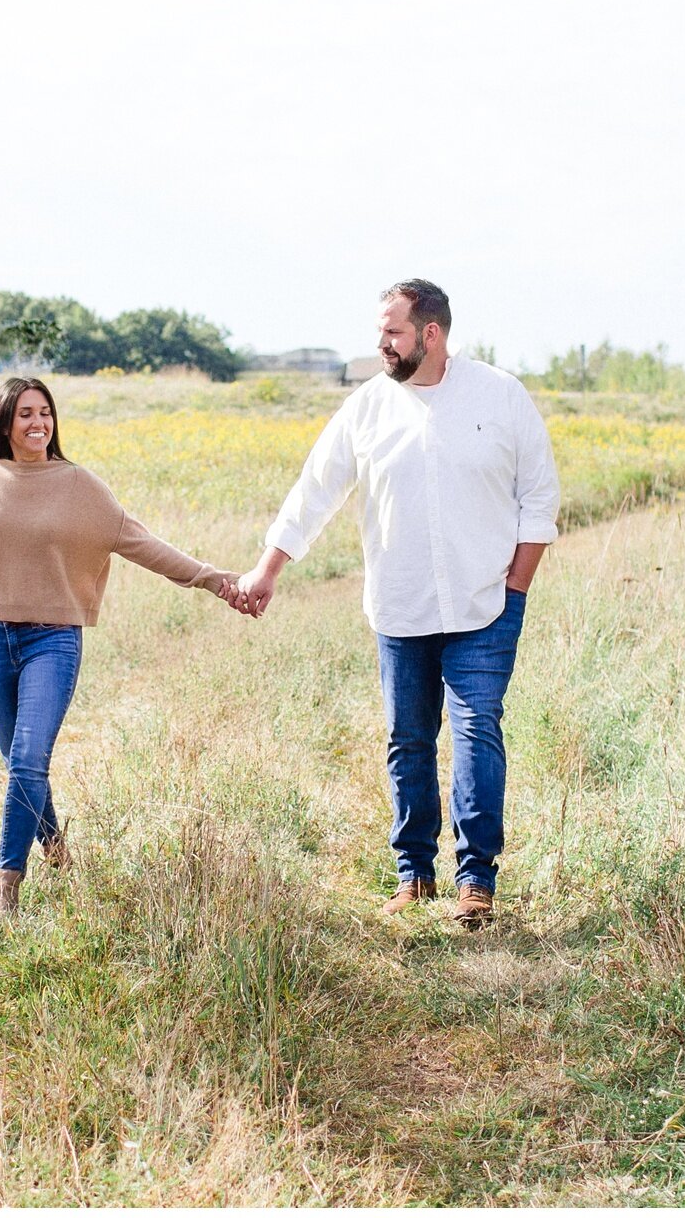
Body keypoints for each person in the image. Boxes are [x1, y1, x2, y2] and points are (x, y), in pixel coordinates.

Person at [238, 280, 560, 927]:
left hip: (486, 606)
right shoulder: (367, 409)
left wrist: (516, 590)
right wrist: (268, 569)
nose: (381, 345)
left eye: (392, 333)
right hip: (401, 607)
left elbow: (540, 499)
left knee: (476, 732)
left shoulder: (500, 396)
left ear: (431, 334)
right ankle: (414, 875)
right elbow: (316, 491)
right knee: (408, 741)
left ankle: (477, 884)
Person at [0, 375, 252, 916]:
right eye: (25, 413)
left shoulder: (81, 486)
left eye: (44, 412)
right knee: (21, 763)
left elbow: (142, 543)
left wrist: (210, 577)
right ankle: (56, 846)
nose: (37, 422)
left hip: (53, 640)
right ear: (4, 423)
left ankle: (7, 878)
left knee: (27, 758)